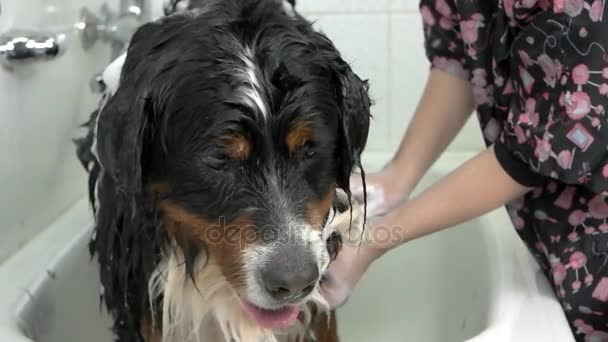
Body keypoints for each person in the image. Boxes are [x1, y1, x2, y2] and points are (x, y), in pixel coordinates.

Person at [320, 1, 608, 340]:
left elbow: (538, 149)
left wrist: (371, 243)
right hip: (557, 243)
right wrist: (397, 177)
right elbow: (460, 53)